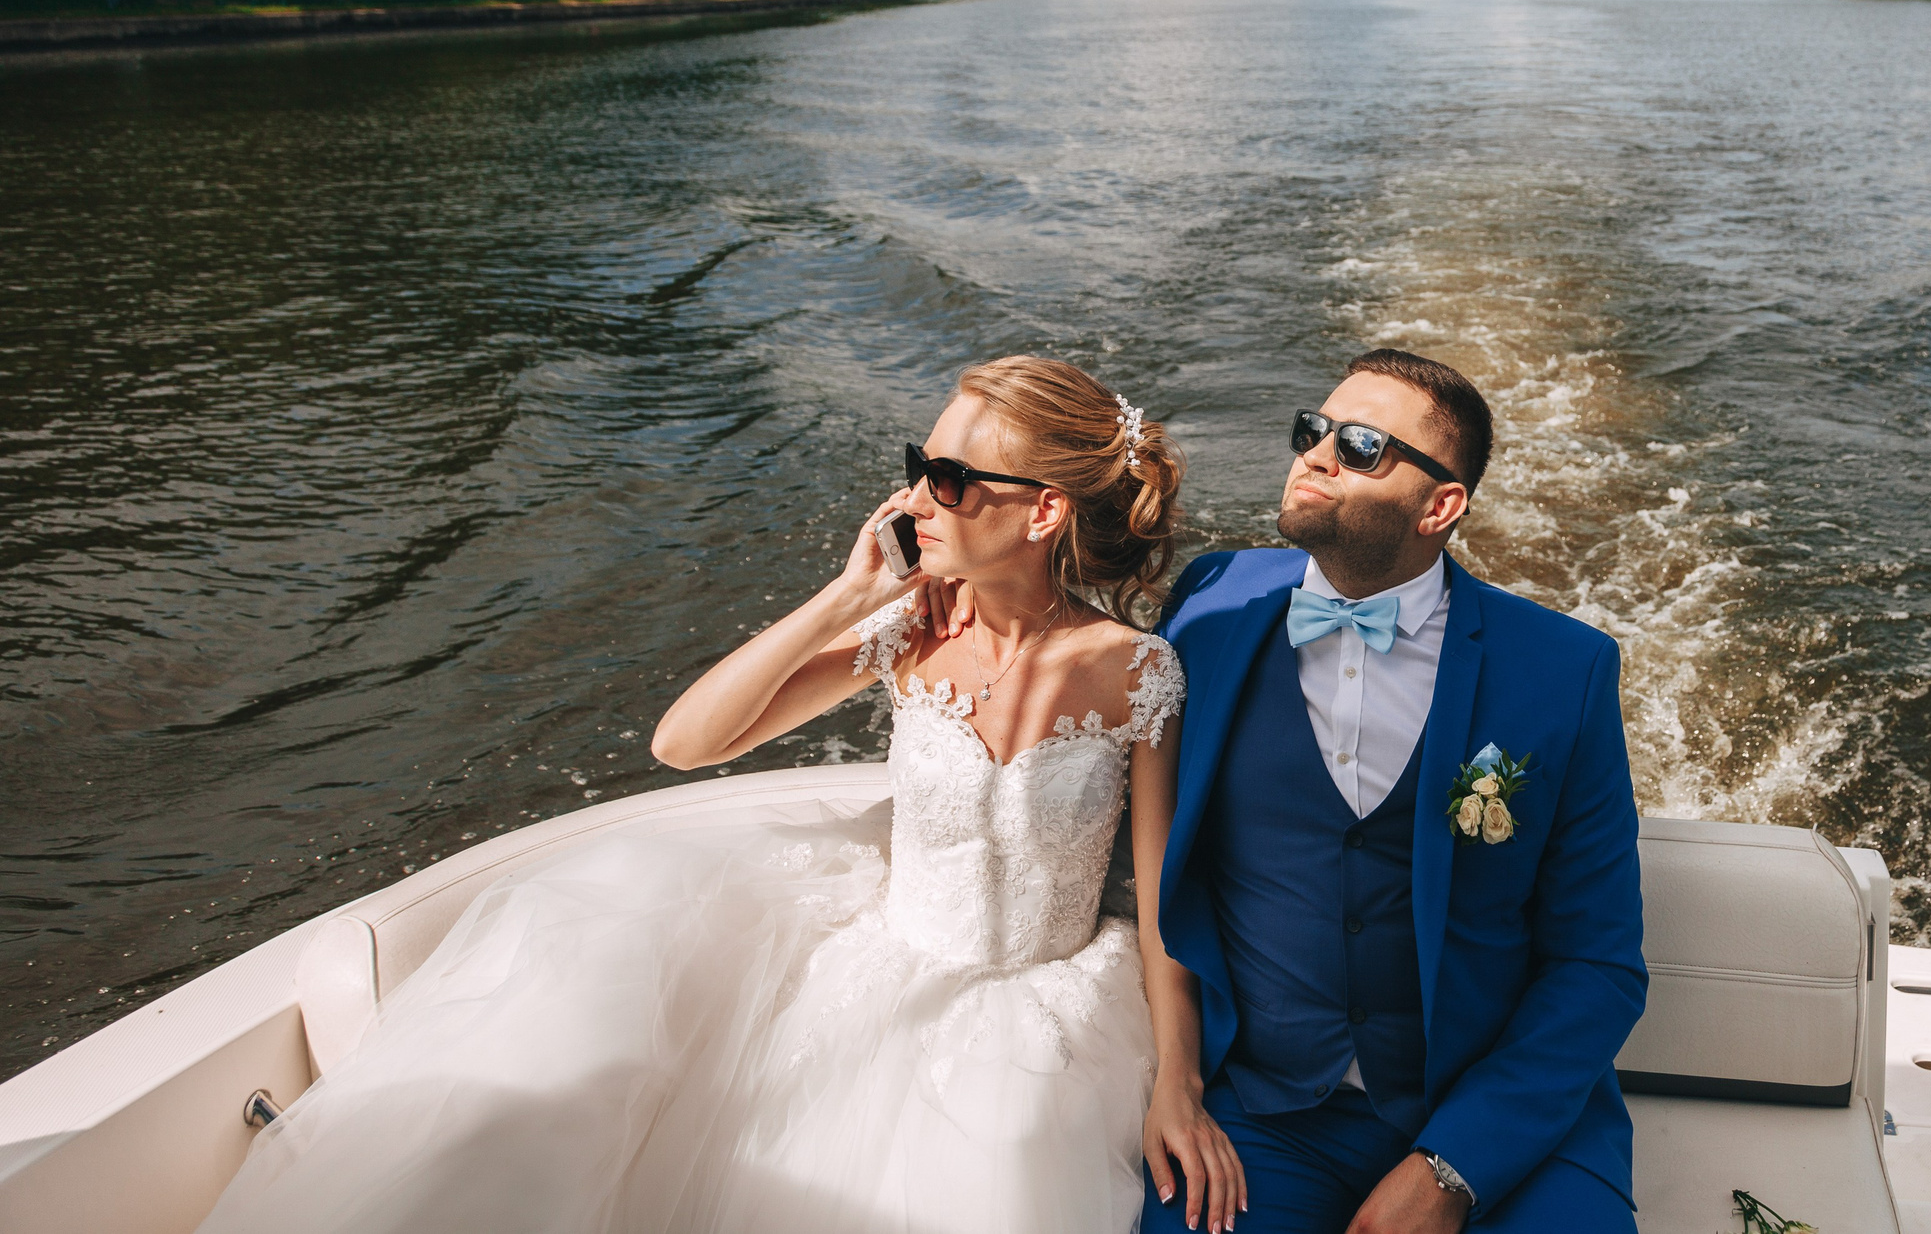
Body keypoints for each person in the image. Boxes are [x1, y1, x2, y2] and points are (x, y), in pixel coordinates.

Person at [196, 356, 1244, 1234]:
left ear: (1042, 511)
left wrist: (1175, 1084)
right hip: (875, 978)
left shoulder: (1135, 671)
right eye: (916, 467)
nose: (918, 497)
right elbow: (686, 743)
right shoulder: (910, 632)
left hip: (1051, 1012)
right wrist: (849, 594)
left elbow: (1161, 903)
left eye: (951, 480)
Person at [1146, 349, 1646, 1234]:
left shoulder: (1563, 670)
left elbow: (1597, 965)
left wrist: (1454, 1168)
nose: (1317, 453)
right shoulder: (1209, 606)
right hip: (1265, 1117)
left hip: (1496, 1121)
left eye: (1364, 445)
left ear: (1440, 505)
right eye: (1314, 429)